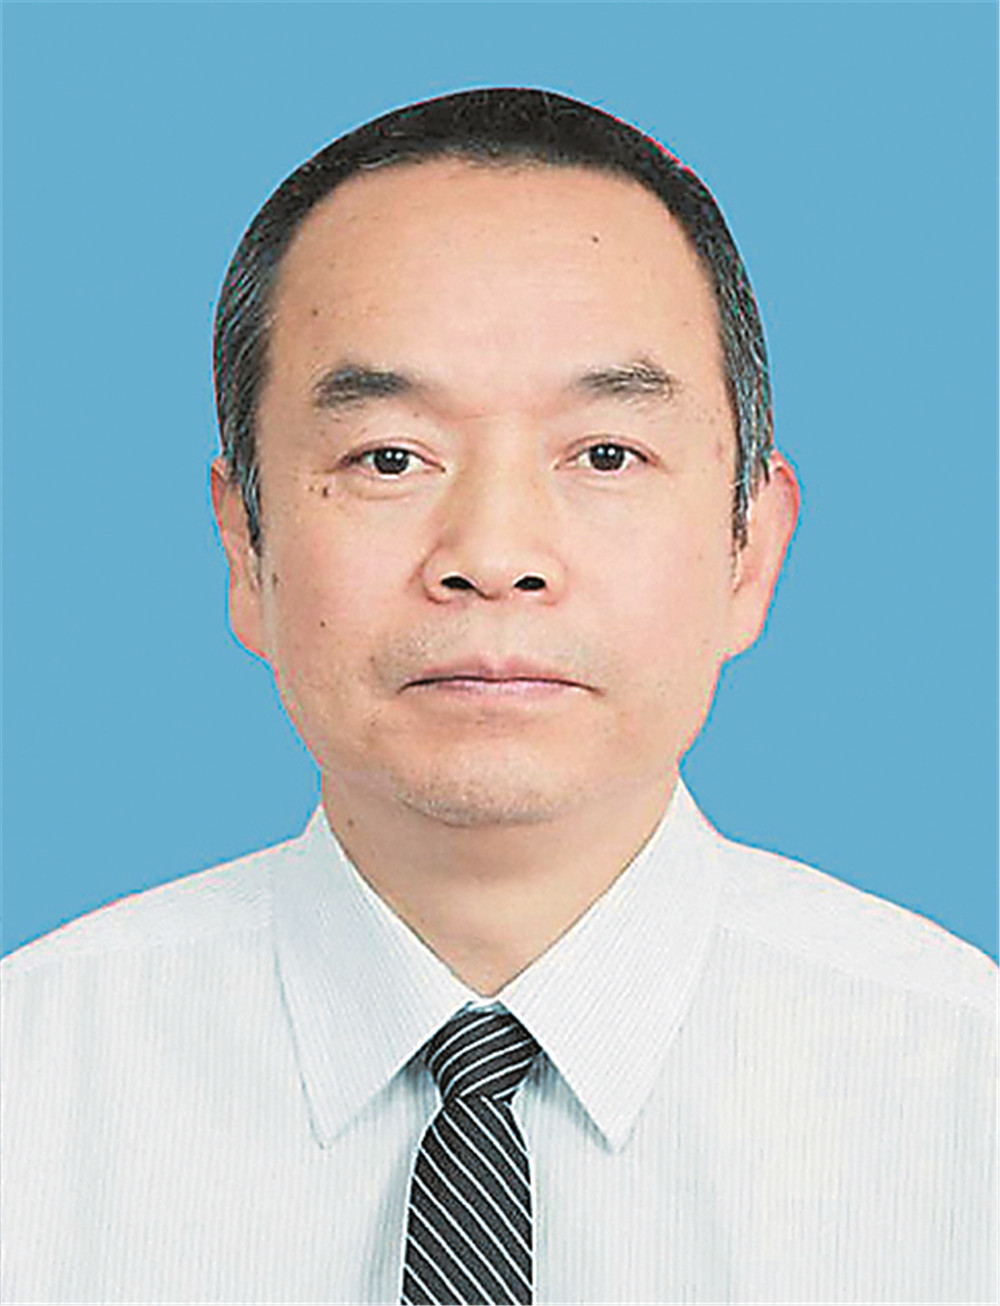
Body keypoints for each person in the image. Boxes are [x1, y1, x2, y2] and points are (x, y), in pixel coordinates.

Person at [1, 88, 994, 1306]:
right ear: (245, 548)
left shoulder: (966, 1097)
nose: (494, 553)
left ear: (750, 550)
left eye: (606, 454)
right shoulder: (29, 1090)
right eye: (388, 457)